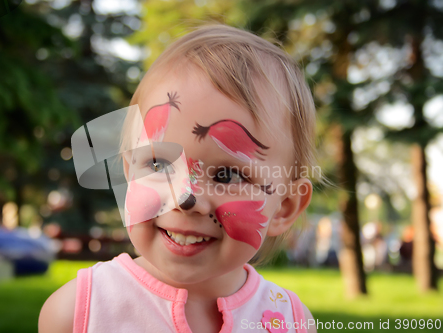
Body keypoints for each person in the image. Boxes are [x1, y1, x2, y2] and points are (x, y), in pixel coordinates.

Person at [39, 24, 318, 333]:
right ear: (130, 174)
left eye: (227, 175)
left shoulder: (291, 320)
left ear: (284, 207)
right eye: (158, 165)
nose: (187, 198)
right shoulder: (79, 313)